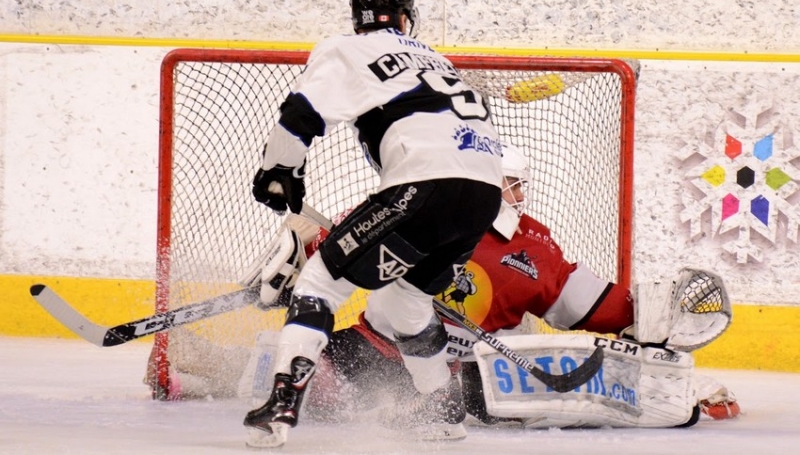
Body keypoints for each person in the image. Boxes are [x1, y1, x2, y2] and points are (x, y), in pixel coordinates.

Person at [263, 142, 740, 428]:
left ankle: (411, 408)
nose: (517, 196)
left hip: (478, 375)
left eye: (516, 185)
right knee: (292, 378)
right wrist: (297, 256)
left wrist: (644, 314)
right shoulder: (411, 209)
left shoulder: (531, 246)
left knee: (310, 383)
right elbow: (325, 243)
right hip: (379, 349)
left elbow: (588, 303)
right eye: (512, 184)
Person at [243, 0, 503, 448]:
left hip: (424, 184)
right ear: (406, 17)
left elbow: (301, 113)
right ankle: (445, 409)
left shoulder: (348, 48)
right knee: (406, 304)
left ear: (358, 18)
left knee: (318, 284)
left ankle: (282, 404)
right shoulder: (435, 58)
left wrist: (279, 171)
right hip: (484, 194)